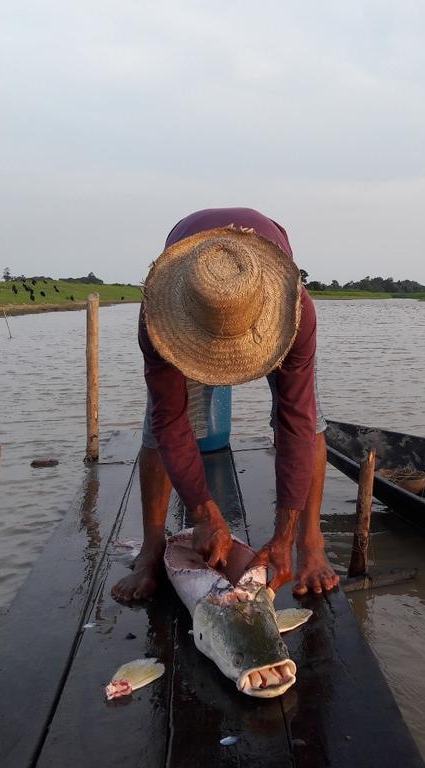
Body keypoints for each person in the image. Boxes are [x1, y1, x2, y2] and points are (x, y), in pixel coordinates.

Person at [112, 208, 339, 602]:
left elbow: (295, 424)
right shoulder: (158, 320)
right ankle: (151, 549)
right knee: (157, 422)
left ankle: (312, 543)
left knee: (308, 420)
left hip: (262, 308)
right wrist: (202, 511)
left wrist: (284, 536)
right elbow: (172, 422)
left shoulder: (297, 314)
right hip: (188, 308)